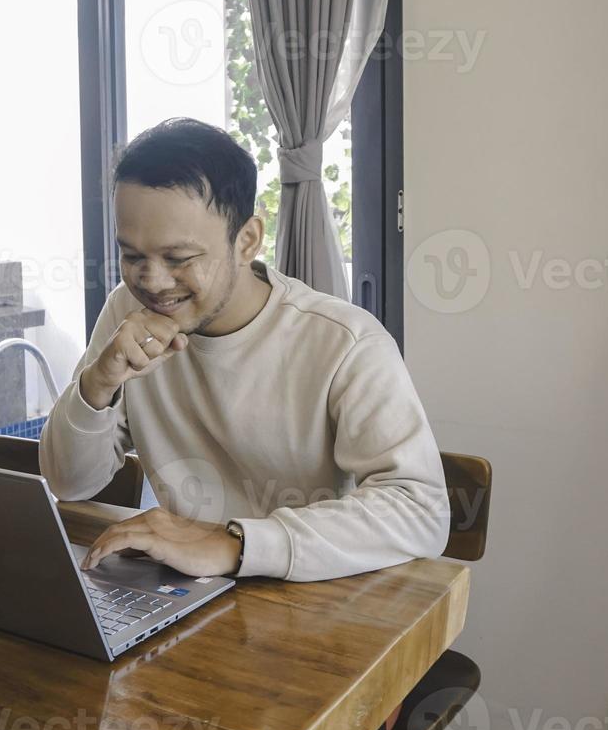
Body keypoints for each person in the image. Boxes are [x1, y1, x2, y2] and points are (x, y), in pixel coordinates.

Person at [40, 117, 448, 583]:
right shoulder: (125, 311)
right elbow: (68, 482)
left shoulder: (345, 343)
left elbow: (422, 512)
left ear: (247, 241)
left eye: (179, 258)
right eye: (132, 256)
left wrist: (235, 544)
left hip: (317, 602)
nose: (151, 281)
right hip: (187, 595)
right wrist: (97, 383)